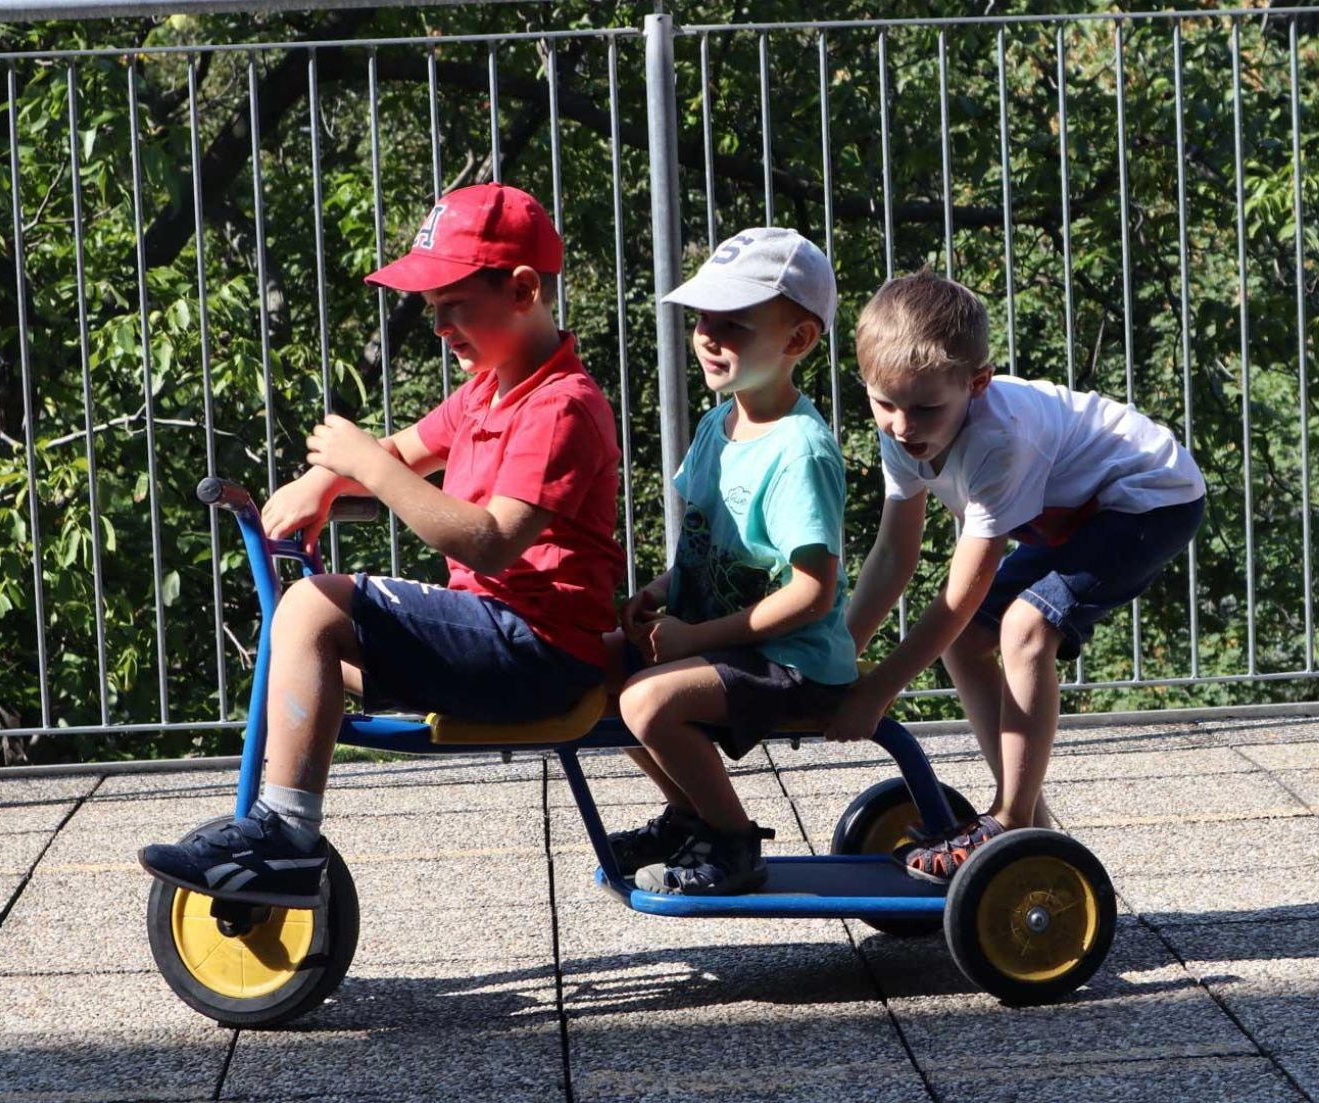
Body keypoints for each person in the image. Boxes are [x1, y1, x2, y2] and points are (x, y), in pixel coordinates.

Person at [140, 183, 622, 909]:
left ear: (522, 289)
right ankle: (277, 824)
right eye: (432, 311)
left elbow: (488, 542)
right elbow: (406, 448)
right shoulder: (489, 391)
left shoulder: (560, 407)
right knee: (302, 648)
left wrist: (364, 465)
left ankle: (287, 838)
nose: (440, 328)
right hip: (503, 640)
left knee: (310, 607)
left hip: (533, 651)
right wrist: (324, 483)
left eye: (455, 305)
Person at [829, 270, 1205, 883]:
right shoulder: (905, 428)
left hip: (1149, 498)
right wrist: (834, 665)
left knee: (1024, 629)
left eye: (925, 408)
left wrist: (878, 690)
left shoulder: (1000, 438)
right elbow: (894, 557)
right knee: (969, 643)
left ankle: (1010, 819)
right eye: (884, 403)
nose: (902, 426)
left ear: (977, 384)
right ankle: (1033, 831)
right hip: (1072, 516)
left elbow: (962, 590)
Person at [609, 228, 857, 895]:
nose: (710, 335)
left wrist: (694, 638)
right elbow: (707, 544)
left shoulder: (799, 451)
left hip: (795, 658)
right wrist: (661, 592)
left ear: (799, 341)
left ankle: (731, 840)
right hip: (726, 643)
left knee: (648, 699)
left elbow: (810, 594)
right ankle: (689, 815)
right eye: (703, 320)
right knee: (599, 666)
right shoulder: (719, 425)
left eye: (735, 324)